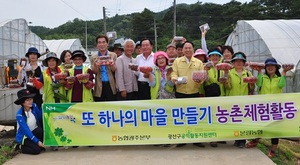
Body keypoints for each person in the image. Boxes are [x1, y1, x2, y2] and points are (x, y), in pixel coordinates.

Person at [246, 57, 290, 158]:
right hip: (264, 107)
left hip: (275, 107)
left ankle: (273, 150)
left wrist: (284, 72)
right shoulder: (263, 77)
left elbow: (282, 84)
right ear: (265, 68)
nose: (270, 67)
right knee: (260, 125)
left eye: (272, 66)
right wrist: (259, 72)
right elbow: (259, 84)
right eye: (268, 66)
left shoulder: (279, 78)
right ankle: (255, 140)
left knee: (275, 128)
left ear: (276, 67)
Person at [171, 41, 205, 148]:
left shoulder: (199, 62)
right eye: (186, 48)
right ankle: (182, 139)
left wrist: (201, 81)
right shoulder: (177, 61)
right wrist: (174, 79)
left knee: (193, 117)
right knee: (181, 117)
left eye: (190, 48)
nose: (188, 50)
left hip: (194, 92)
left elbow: (202, 75)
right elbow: (173, 72)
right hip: (180, 92)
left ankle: (196, 139)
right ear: (183, 50)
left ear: (193, 49)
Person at [224, 52, 255, 148]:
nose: (238, 63)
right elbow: (228, 87)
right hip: (233, 100)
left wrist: (251, 82)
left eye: (240, 61)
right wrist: (225, 80)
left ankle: (242, 140)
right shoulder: (229, 73)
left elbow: (251, 88)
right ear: (233, 63)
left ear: (244, 63)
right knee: (235, 120)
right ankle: (237, 139)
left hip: (244, 100)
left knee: (243, 121)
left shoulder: (248, 73)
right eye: (236, 61)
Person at [14, 89, 45, 155]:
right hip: (25, 136)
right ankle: (20, 147)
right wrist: (37, 142)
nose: (30, 101)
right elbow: (26, 130)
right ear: (22, 102)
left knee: (40, 130)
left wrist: (44, 107)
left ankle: (34, 144)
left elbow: (40, 118)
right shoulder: (19, 115)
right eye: (27, 100)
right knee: (36, 150)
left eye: (31, 99)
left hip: (34, 132)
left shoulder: (34, 106)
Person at [91, 35, 117, 101]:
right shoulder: (94, 57)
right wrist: (96, 66)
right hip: (99, 84)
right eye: (99, 42)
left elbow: (114, 70)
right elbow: (95, 72)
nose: (101, 44)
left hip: (111, 84)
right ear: (97, 45)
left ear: (107, 44)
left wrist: (112, 64)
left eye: (103, 42)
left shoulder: (113, 55)